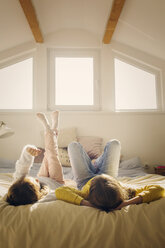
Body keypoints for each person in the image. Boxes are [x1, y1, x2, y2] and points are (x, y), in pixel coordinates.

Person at [55, 142, 165, 212]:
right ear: (117, 188)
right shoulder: (125, 191)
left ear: (90, 193)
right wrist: (127, 203)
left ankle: (95, 164)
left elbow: (60, 191)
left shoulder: (85, 194)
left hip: (85, 179)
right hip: (109, 175)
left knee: (73, 145)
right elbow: (159, 189)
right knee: (114, 143)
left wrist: (87, 203)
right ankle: (97, 163)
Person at [6, 111, 65, 206]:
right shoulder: (47, 196)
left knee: (48, 153)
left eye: (32, 180)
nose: (36, 180)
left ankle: (52, 128)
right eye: (35, 184)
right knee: (51, 154)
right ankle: (48, 127)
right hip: (56, 180)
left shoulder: (17, 188)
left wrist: (27, 151)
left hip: (43, 175)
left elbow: (22, 167)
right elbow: (66, 194)